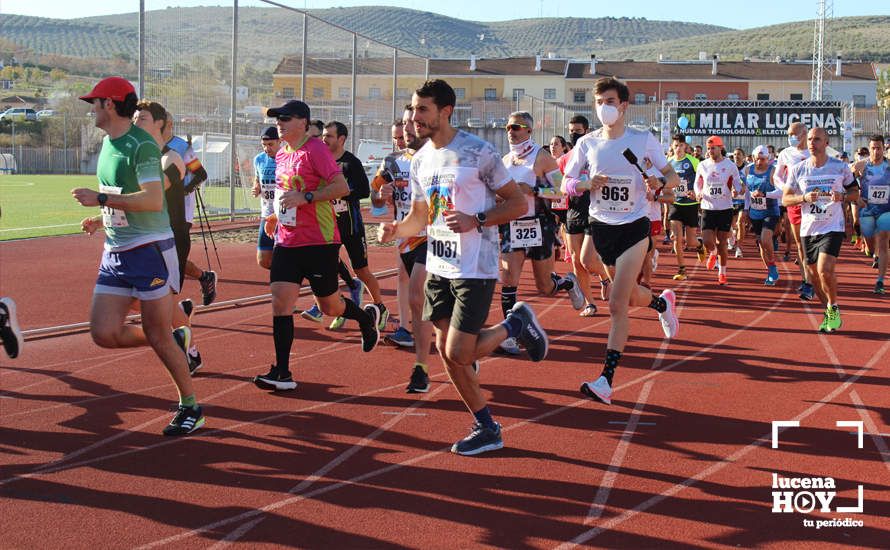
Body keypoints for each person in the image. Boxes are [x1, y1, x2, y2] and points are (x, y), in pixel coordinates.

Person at [379, 79, 548, 456]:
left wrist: (478, 218)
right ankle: (487, 427)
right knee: (446, 350)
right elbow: (420, 217)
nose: (414, 117)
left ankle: (515, 324)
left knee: (459, 352)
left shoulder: (479, 152)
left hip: (474, 265)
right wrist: (396, 229)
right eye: (413, 109)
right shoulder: (421, 159)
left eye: (422, 110)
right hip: (439, 265)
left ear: (445, 111)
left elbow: (518, 204)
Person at [71, 76, 203, 435]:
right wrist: (101, 219)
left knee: (156, 331)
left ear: (110, 105)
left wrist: (100, 200)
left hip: (149, 250)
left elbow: (151, 200)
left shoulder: (141, 146)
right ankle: (175, 339)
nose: (92, 110)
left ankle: (190, 406)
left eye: (94, 103)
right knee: (104, 332)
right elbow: (121, 195)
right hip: (115, 250)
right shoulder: (109, 143)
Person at [564, 77, 680, 405]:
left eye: (610, 101)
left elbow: (673, 177)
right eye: (600, 102)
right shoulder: (587, 144)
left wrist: (659, 183)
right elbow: (565, 182)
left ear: (624, 105)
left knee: (616, 304)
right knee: (628, 297)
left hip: (634, 227)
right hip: (602, 228)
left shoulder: (643, 140)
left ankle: (606, 380)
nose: (604, 108)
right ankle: (662, 304)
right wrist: (585, 184)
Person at [253, 100, 381, 391]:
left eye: (284, 118)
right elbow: (289, 193)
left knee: (331, 306)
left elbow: (342, 188)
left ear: (302, 122)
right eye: (277, 119)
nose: (279, 123)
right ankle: (282, 372)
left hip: (320, 241)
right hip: (287, 240)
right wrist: (276, 215)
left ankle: (364, 318)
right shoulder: (283, 153)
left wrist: (307, 199)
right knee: (280, 302)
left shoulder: (316, 150)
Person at [496, 112, 583, 355]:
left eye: (516, 127)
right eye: (508, 127)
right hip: (512, 225)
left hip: (538, 225)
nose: (510, 131)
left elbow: (560, 191)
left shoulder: (541, 157)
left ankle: (566, 282)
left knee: (544, 286)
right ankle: (511, 335)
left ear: (529, 130)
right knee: (508, 278)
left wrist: (532, 189)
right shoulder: (504, 161)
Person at [134, 99, 203, 375]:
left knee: (158, 298)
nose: (136, 125)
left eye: (143, 120)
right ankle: (183, 325)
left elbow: (200, 173)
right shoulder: (144, 153)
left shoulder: (180, 150)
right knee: (154, 297)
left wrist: (181, 186)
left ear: (163, 124)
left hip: (175, 227)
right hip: (151, 230)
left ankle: (190, 346)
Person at [372, 107, 434, 392]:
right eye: (402, 130)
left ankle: (421, 363)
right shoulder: (393, 162)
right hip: (406, 234)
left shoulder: (440, 155)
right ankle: (432, 355)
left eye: (411, 126)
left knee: (418, 292)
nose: (405, 133)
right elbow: (374, 200)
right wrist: (380, 196)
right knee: (420, 297)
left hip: (435, 236)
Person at [783, 127, 858, 332]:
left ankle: (833, 307)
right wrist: (803, 198)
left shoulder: (840, 167)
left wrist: (842, 197)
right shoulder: (799, 169)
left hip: (832, 226)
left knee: (825, 271)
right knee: (813, 275)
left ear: (826, 142)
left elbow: (854, 192)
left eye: (816, 139)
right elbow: (786, 198)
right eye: (809, 139)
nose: (811, 143)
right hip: (809, 228)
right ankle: (828, 310)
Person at [320, 121, 388, 331]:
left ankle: (380, 306)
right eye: (323, 135)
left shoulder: (351, 163)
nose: (324, 139)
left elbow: (364, 192)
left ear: (341, 139)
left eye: (329, 136)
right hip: (328, 227)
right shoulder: (320, 161)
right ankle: (341, 308)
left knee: (361, 270)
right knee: (327, 269)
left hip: (351, 227)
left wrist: (340, 191)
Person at [162, 115, 216, 307]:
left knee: (175, 258)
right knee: (165, 258)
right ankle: (204, 276)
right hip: (158, 210)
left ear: (167, 124)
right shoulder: (147, 145)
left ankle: (171, 312)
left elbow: (200, 174)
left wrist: (182, 191)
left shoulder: (182, 147)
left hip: (180, 211)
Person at [561, 115, 609, 314]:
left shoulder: (595, 153)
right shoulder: (564, 159)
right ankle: (590, 302)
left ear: (587, 131)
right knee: (575, 260)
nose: (573, 134)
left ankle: (606, 278)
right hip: (572, 211)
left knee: (587, 260)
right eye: (571, 131)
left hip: (593, 209)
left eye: (578, 131)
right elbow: (558, 186)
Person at [694, 135, 743, 285]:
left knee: (722, 242)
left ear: (720, 148)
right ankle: (712, 253)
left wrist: (738, 190)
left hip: (724, 208)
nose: (710, 151)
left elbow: (738, 184)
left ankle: (722, 273)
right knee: (708, 241)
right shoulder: (703, 165)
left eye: (713, 148)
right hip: (708, 207)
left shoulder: (730, 165)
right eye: (708, 149)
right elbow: (697, 183)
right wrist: (698, 193)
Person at [775, 122, 814, 300]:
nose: (790, 137)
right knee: (800, 243)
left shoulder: (815, 151)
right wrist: (786, 188)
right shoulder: (786, 153)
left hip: (815, 203)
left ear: (804, 134)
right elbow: (776, 176)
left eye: (794, 134)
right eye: (789, 134)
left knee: (813, 242)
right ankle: (807, 281)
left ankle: (813, 279)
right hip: (795, 203)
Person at [852, 135, 890, 294]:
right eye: (873, 148)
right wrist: (857, 197)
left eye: (879, 148)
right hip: (867, 209)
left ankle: (880, 280)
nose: (876, 151)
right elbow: (846, 183)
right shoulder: (861, 166)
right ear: (870, 148)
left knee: (883, 241)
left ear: (883, 149)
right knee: (870, 242)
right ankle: (872, 252)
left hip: (885, 210)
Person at [744, 145, 782, 285]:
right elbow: (748, 193)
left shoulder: (773, 171)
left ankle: (772, 267)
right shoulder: (748, 170)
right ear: (753, 158)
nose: (760, 162)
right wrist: (746, 209)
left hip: (770, 210)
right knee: (761, 244)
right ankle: (770, 271)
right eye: (757, 159)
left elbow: (781, 192)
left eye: (763, 159)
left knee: (766, 239)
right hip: (755, 212)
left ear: (768, 158)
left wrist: (765, 194)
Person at [667, 134, 701, 281]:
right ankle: (682, 270)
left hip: (691, 205)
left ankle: (700, 246)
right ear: (672, 147)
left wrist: (697, 191)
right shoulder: (669, 162)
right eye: (675, 146)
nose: (678, 149)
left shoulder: (693, 161)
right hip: (676, 204)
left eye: (681, 146)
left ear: (685, 147)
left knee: (691, 242)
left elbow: (703, 179)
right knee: (677, 238)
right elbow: (666, 182)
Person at [251, 126, 280, 270]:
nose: (267, 148)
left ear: (279, 141)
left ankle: (288, 282)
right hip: (267, 213)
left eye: (270, 145)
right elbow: (257, 178)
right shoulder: (259, 159)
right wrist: (256, 187)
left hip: (285, 215)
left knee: (289, 255)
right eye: (264, 145)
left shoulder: (286, 157)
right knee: (263, 260)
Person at [730, 147, 748, 258]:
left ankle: (739, 248)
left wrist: (745, 187)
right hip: (730, 201)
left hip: (743, 200)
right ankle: (732, 237)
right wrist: (731, 189)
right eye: (735, 154)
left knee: (740, 222)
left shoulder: (747, 169)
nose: (736, 156)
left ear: (744, 156)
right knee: (731, 225)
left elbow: (751, 182)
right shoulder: (730, 167)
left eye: (739, 154)